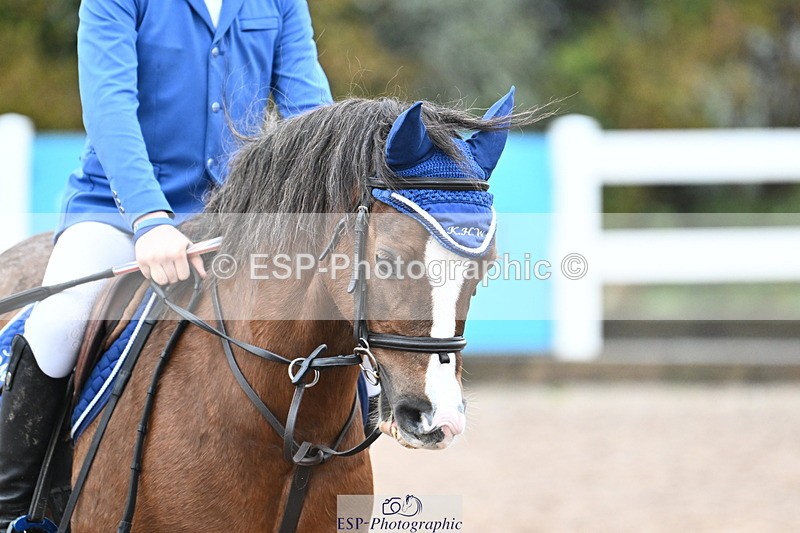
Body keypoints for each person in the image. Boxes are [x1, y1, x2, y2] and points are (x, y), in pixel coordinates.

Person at [0, 0, 332, 527]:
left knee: (331, 316)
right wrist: (151, 219)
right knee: (59, 322)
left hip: (236, 221)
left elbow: (310, 115)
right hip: (119, 214)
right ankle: (13, 507)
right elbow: (110, 107)